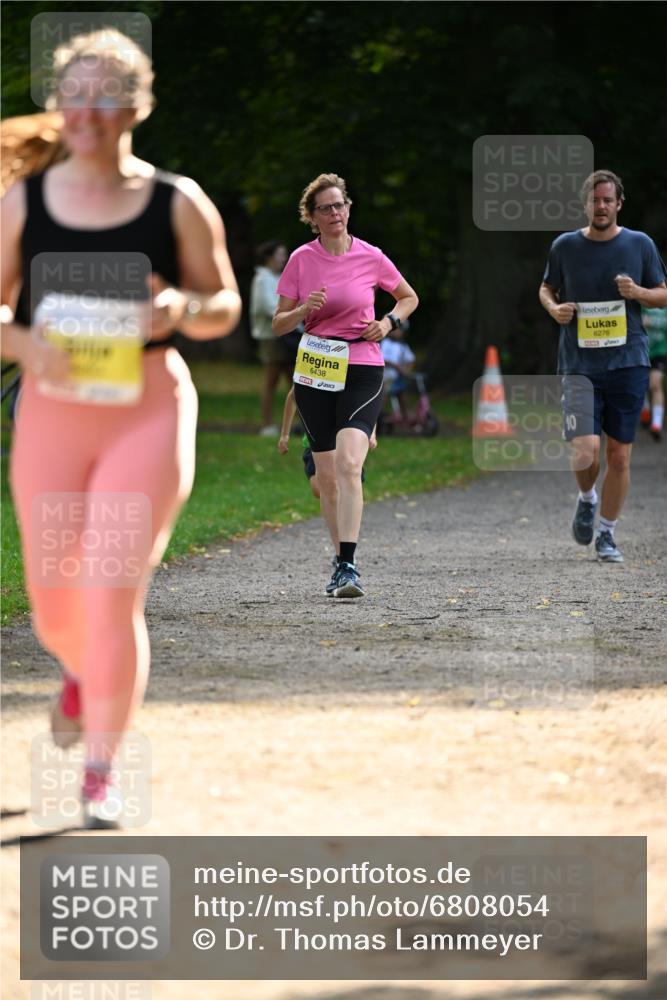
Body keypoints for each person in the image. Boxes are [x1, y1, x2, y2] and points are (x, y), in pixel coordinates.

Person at [0, 29, 241, 827]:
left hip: (146, 408)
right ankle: (79, 671)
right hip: (54, 414)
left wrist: (177, 308)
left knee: (111, 592)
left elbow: (225, 306)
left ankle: (102, 769)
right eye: (75, 94)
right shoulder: (25, 202)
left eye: (107, 96)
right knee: (54, 602)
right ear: (57, 105)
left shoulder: (176, 200)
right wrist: (25, 338)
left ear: (138, 105)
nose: (88, 111)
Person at [272, 172, 418, 597]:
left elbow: (409, 297)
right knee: (328, 476)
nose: (335, 213)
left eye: (340, 205)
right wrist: (303, 309)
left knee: (351, 465)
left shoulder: (371, 256)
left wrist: (388, 323)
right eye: (326, 208)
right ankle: (339, 565)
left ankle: (349, 564)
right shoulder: (301, 259)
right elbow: (278, 324)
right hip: (317, 365)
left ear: (349, 209)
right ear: (312, 217)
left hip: (363, 365)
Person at [539, 169, 667, 563]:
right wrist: (554, 308)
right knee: (586, 451)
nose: (601, 206)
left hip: (628, 361)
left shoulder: (639, 244)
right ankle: (586, 498)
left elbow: (662, 294)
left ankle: (607, 534)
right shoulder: (565, 246)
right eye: (595, 200)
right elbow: (547, 287)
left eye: (608, 200)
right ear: (586, 204)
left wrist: (638, 292)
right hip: (579, 363)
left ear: (619, 204)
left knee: (619, 456)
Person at [278, 387, 376, 567]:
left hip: (345, 444)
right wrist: (284, 434)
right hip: (316, 445)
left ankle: (344, 550)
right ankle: (341, 540)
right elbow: (292, 397)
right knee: (320, 488)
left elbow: (367, 401)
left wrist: (372, 431)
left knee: (345, 485)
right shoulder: (309, 377)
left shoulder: (357, 375)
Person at [249, 240, 295, 436]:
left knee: (293, 380)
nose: (283, 258)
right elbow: (266, 307)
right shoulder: (262, 279)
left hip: (284, 334)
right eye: (280, 254)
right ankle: (267, 424)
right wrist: (291, 314)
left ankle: (293, 425)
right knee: (272, 380)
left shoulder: (276, 278)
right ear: (270, 257)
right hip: (270, 336)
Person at [640, 303, 667, 440]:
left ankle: (656, 424)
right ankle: (645, 410)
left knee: (655, 384)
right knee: (640, 385)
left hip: (660, 352)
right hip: (641, 351)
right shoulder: (643, 302)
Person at [381, 319, 415, 419]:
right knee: (383, 396)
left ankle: (406, 417)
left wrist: (406, 370)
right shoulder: (385, 343)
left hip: (397, 378)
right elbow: (382, 358)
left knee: (403, 396)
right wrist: (396, 366)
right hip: (385, 376)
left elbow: (410, 360)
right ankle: (378, 417)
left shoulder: (403, 346)